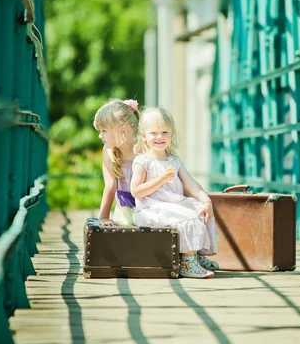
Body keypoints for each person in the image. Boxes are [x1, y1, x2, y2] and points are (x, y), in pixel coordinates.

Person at [130, 107, 218, 278]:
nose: (159, 137)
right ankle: (187, 263)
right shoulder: (142, 161)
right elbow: (136, 192)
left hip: (172, 204)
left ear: (171, 134)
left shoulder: (174, 160)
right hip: (150, 208)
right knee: (187, 217)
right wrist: (160, 180)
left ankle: (196, 254)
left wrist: (207, 201)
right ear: (143, 136)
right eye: (153, 133)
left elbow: (191, 184)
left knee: (199, 210)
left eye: (164, 132)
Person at [93, 98, 140, 226]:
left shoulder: (143, 149)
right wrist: (103, 217)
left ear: (123, 130)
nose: (100, 136)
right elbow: (110, 185)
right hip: (125, 212)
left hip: (148, 208)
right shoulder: (109, 151)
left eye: (104, 131)